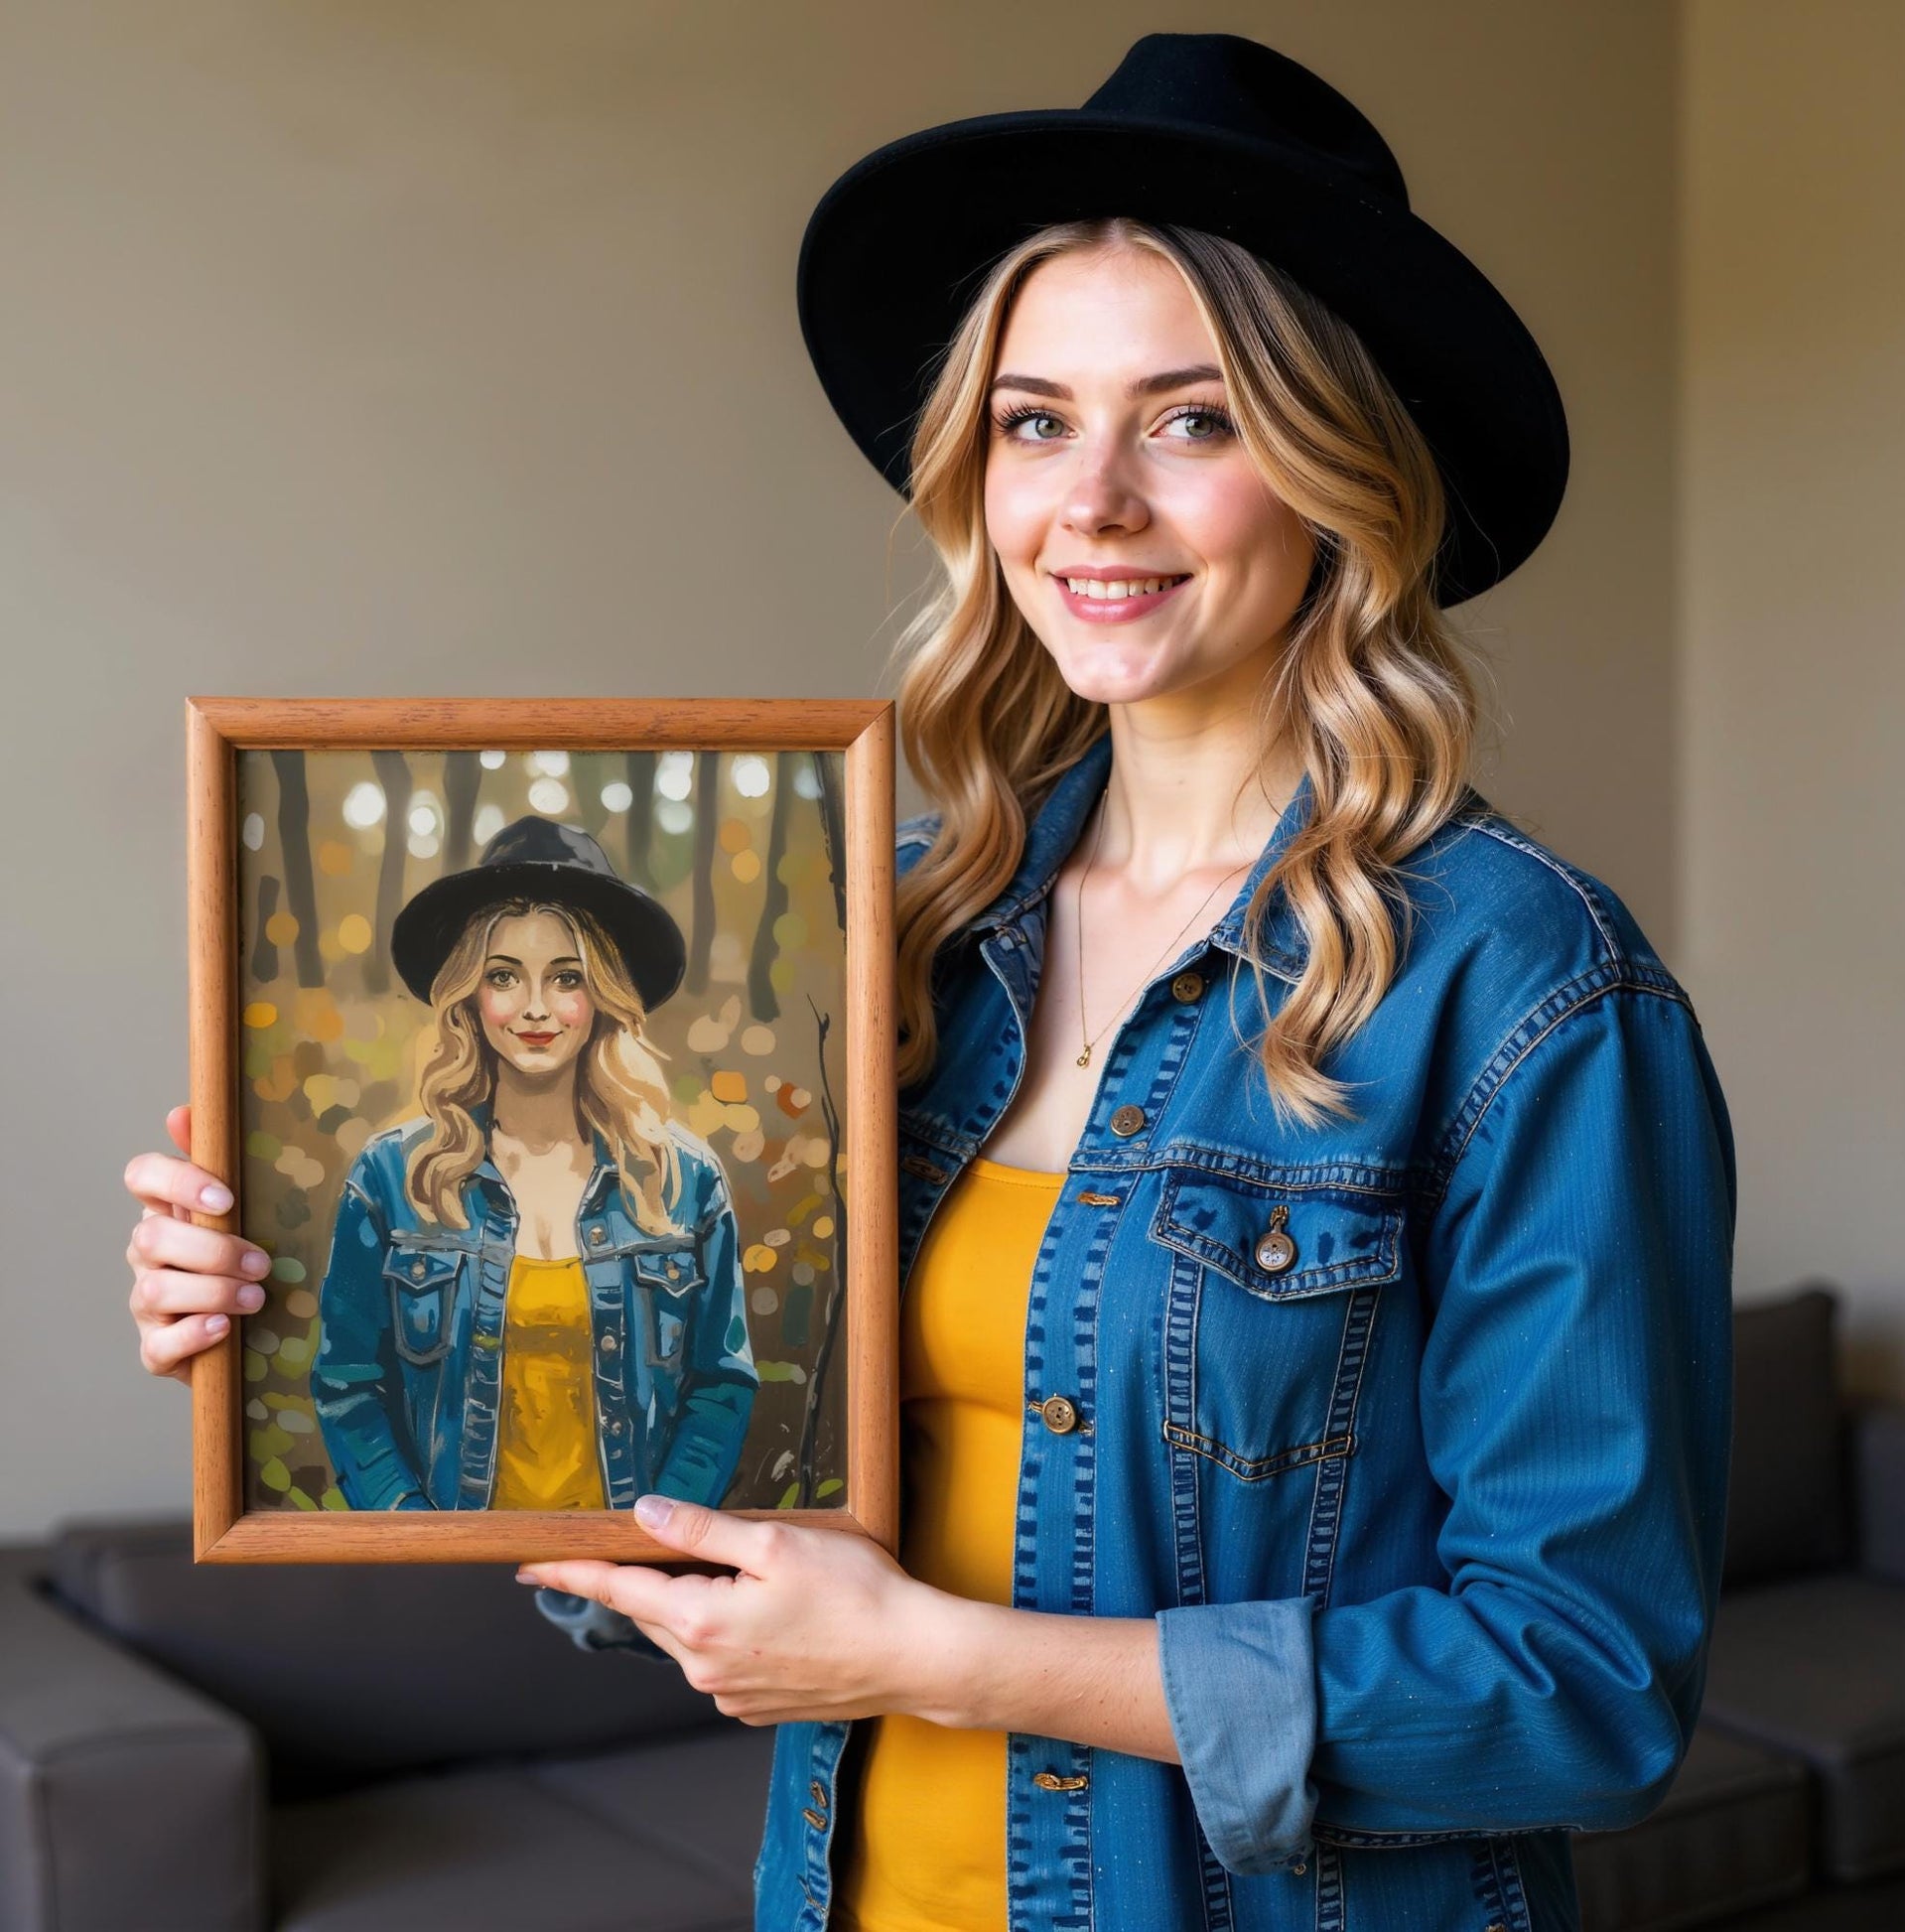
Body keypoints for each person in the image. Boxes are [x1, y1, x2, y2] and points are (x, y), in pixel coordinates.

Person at [123, 31, 1736, 1932]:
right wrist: (309, 1306)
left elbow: (1581, 1690)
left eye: (1195, 420)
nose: (1093, 504)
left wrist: (936, 1660)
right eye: (1035, 421)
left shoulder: (1525, 984)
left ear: (1340, 474)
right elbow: (700, 1479)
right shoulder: (891, 932)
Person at [135, 812, 758, 1515]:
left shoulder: (683, 1179)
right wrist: (414, 1533)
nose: (534, 1008)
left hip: (638, 1583)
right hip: (444, 1580)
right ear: (469, 994)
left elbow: (721, 1385)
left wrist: (657, 1539)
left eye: (565, 978)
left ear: (603, 997)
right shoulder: (391, 1178)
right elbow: (347, 1381)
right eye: (503, 976)